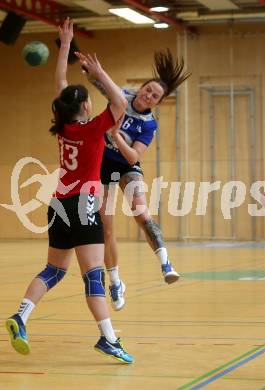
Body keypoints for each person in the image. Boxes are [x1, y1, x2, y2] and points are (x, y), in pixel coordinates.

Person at [5, 18, 134, 364]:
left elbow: (61, 84)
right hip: (83, 204)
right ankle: (109, 339)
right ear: (87, 107)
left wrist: (65, 47)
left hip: (58, 203)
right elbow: (120, 103)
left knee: (54, 270)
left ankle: (21, 315)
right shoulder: (92, 129)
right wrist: (99, 71)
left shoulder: (63, 127)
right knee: (93, 274)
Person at [91, 49, 190, 310]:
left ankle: (166, 263)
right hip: (103, 166)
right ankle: (115, 282)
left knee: (142, 215)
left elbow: (134, 155)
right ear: (141, 88)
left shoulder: (149, 125)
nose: (148, 96)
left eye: (155, 96)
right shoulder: (122, 96)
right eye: (148, 90)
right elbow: (100, 82)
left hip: (128, 165)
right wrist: (90, 68)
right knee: (106, 228)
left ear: (158, 102)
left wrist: (116, 137)